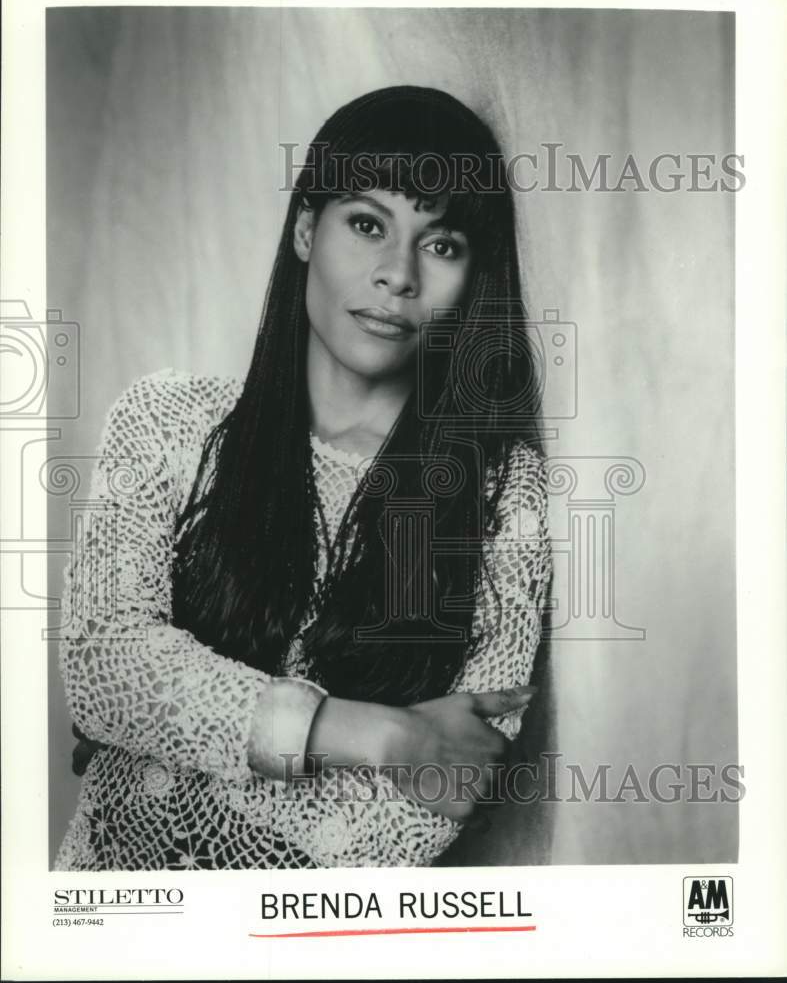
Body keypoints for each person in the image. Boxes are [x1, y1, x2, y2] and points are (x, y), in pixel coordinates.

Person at [55, 85, 553, 870]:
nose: (398, 274)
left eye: (443, 243)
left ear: (474, 279)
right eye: (366, 224)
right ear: (303, 229)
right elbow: (107, 667)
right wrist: (379, 733)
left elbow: (442, 789)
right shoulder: (168, 420)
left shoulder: (498, 495)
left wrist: (178, 729)